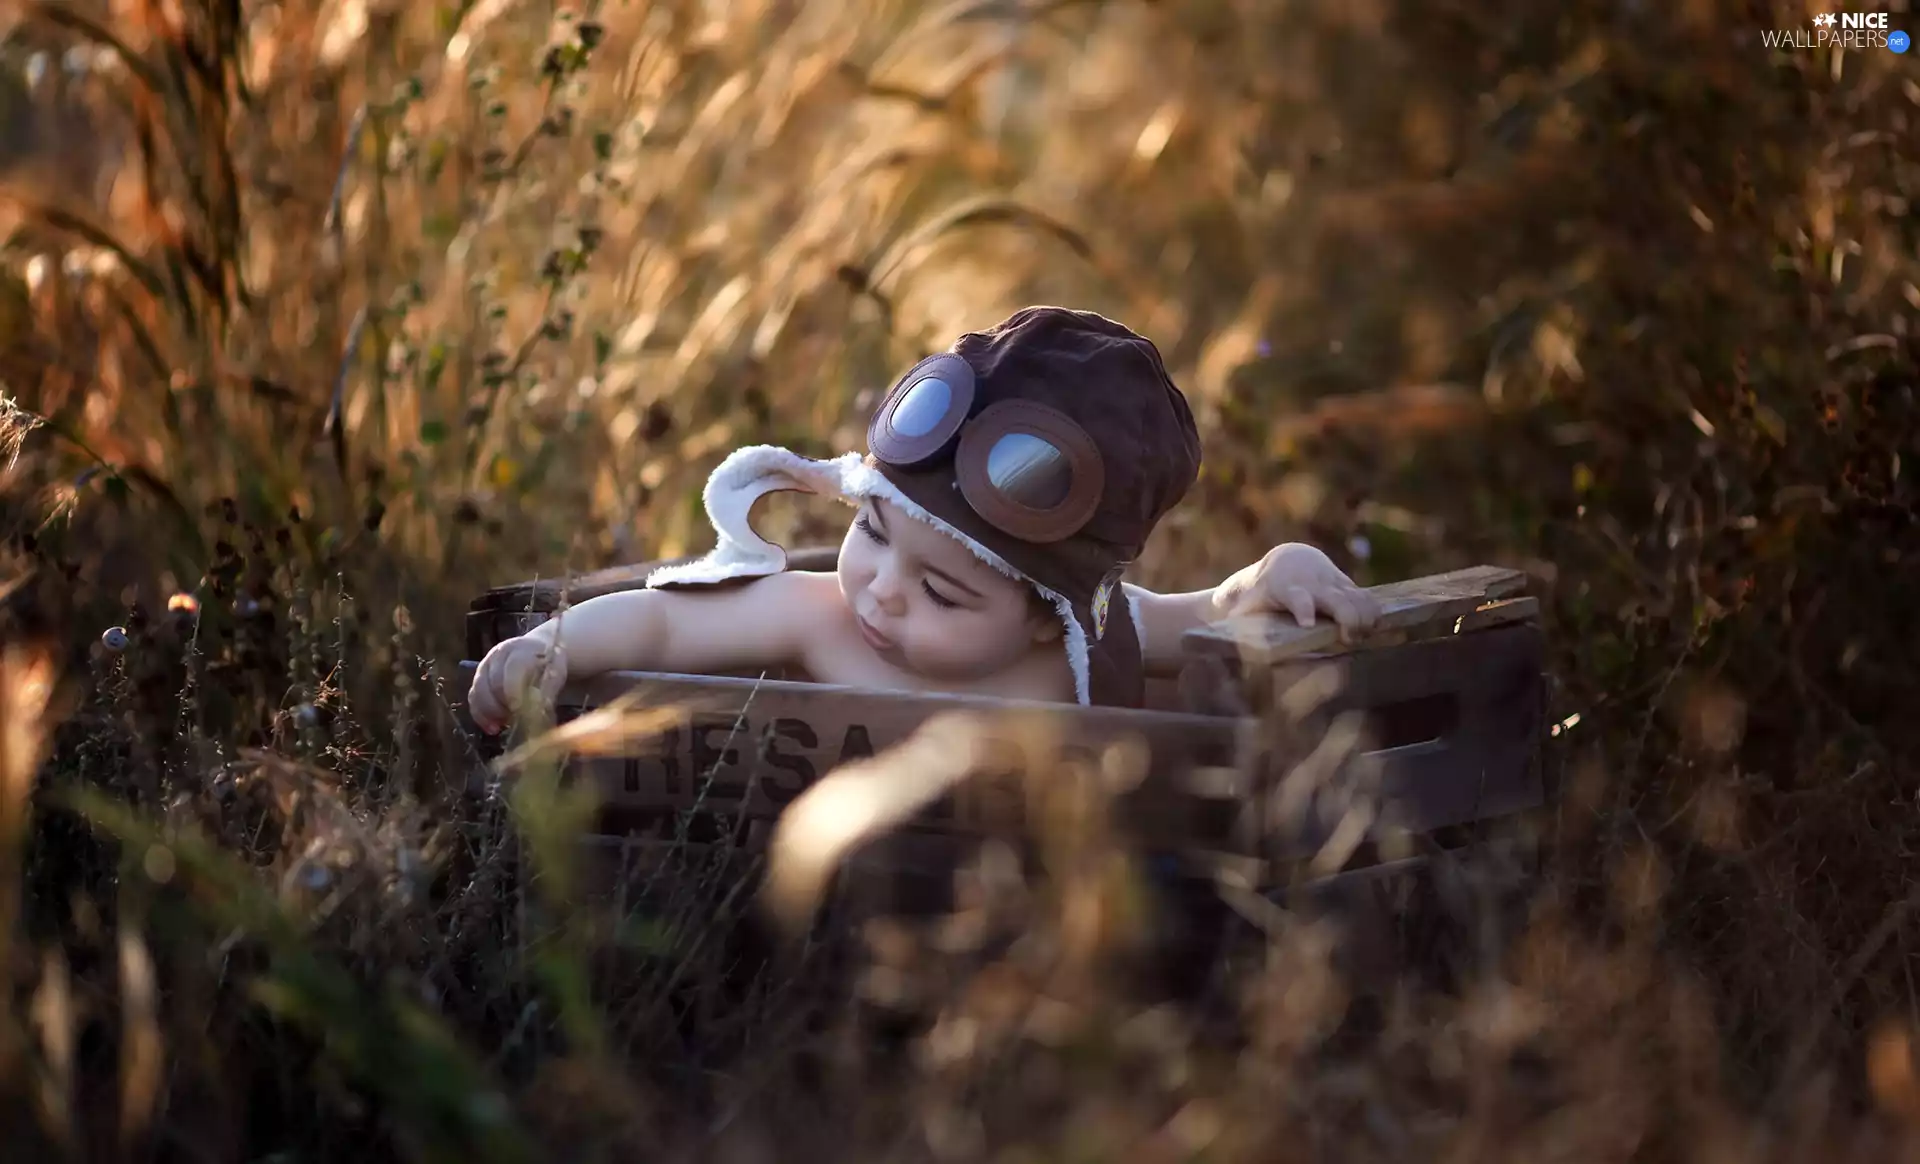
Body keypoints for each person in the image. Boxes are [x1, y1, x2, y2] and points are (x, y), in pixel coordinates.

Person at [468, 306, 1380, 734]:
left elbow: (1215, 609)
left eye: (943, 592)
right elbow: (665, 621)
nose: (883, 591)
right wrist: (556, 646)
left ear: (1047, 615)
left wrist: (1280, 567)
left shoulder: (1088, 646)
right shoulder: (819, 617)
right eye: (872, 532)